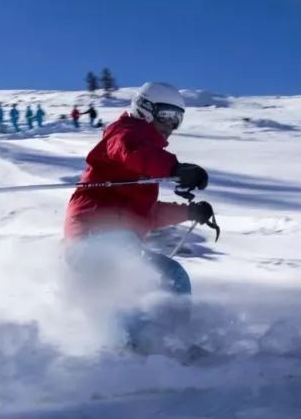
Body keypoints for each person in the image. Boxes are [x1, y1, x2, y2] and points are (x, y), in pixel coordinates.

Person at [64, 82, 214, 352]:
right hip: (93, 233)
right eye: (167, 116)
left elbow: (147, 214)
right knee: (129, 265)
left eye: (177, 120)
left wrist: (190, 211)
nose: (171, 125)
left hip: (119, 237)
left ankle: (172, 342)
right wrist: (174, 168)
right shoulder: (123, 134)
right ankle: (126, 346)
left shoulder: (147, 159)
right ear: (145, 108)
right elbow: (131, 152)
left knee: (173, 275)